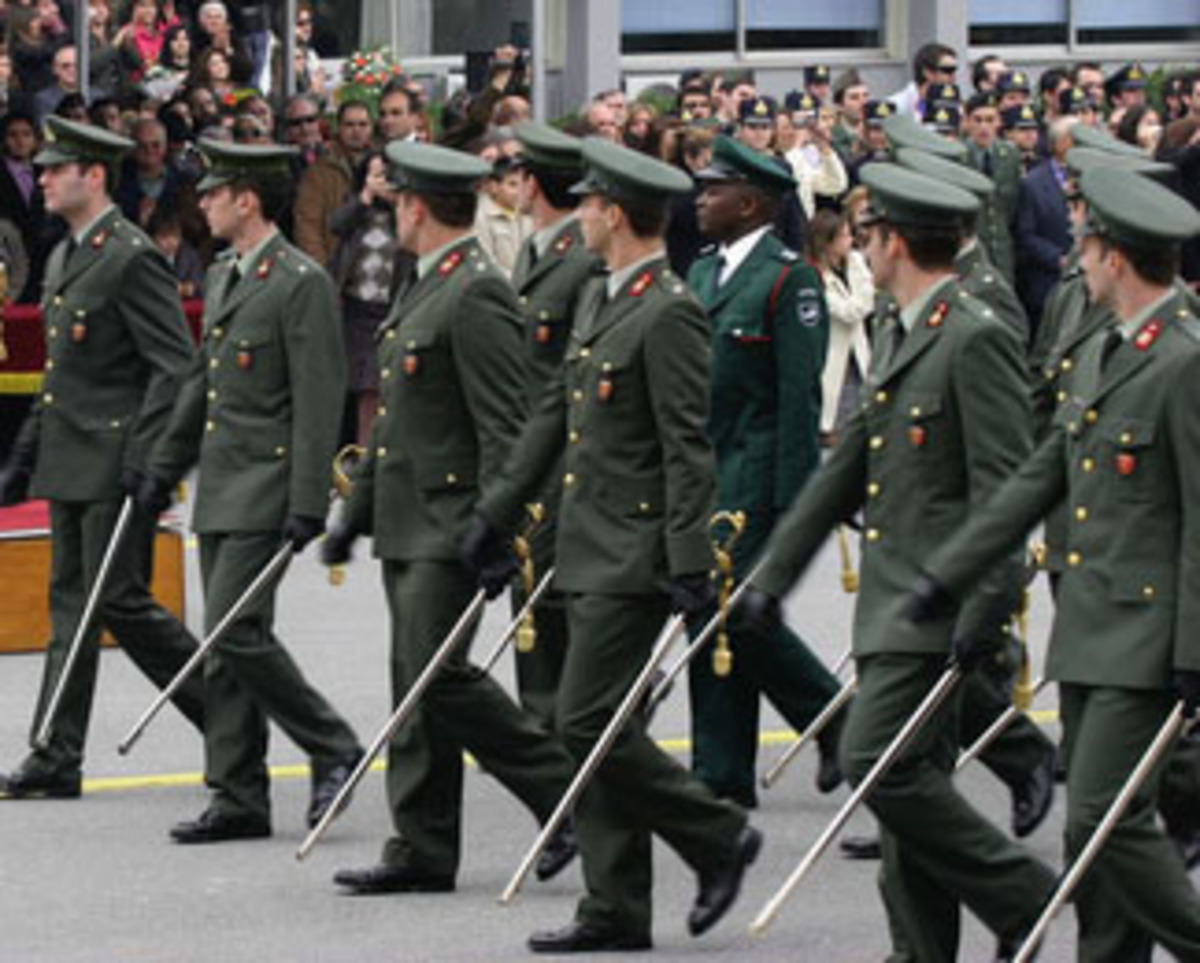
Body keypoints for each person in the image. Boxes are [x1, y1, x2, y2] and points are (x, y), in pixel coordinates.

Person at [742, 162, 1057, 963]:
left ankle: (1021, 895)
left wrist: (987, 610)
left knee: (875, 758)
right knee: (907, 783)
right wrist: (772, 577)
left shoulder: (973, 336)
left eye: (867, 234)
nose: (860, 248)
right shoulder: (902, 324)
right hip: (891, 598)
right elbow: (849, 462)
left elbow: (1006, 494)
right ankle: (919, 949)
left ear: (891, 242)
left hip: (938, 602)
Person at [464, 136, 761, 953]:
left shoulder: (667, 311)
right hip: (581, 537)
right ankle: (615, 905)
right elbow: (557, 419)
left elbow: (687, 445)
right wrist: (498, 511)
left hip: (633, 549)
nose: (581, 213)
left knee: (587, 719)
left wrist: (691, 560)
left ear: (617, 214)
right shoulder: (601, 297)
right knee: (594, 723)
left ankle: (714, 834)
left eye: (592, 203)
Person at [909, 165, 1200, 963]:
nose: (1077, 253)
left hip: (1149, 630)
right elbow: (1039, 475)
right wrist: (952, 570)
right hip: (1094, 621)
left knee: (1100, 815)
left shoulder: (1183, 357)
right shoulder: (1110, 350)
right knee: (1106, 827)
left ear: (1116, 258)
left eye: (1089, 242)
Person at [320, 141, 577, 897]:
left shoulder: (474, 292)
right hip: (407, 515)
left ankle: (564, 791)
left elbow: (511, 424)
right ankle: (423, 844)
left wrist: (501, 527)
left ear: (416, 206)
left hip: (451, 520)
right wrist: (354, 510)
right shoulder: (426, 284)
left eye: (397, 199)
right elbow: (398, 421)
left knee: (442, 678)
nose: (393, 209)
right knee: (417, 682)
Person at [140, 140, 363, 843]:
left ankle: (335, 745)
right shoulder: (230, 271)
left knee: (237, 630)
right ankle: (237, 790)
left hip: (267, 481)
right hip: (223, 478)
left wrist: (306, 500)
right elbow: (203, 385)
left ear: (248, 199)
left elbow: (318, 397)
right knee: (230, 642)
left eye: (215, 191)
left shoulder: (299, 281)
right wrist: (161, 466)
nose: (202, 201)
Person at [0, 116, 204, 800]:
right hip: (69, 458)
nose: (45, 177)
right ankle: (56, 752)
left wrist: (150, 460)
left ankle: (232, 719)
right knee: (72, 606)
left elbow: (173, 367)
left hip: (115, 460)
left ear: (93, 176)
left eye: (58, 169)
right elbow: (61, 376)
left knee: (119, 602)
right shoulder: (65, 256)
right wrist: (22, 457)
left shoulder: (130, 255)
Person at [686, 135, 845, 807]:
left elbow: (798, 397)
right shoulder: (703, 272)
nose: (701, 200)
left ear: (750, 203)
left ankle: (831, 721)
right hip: (705, 472)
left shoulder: (789, 278)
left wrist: (794, 502)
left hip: (752, 477)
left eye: (714, 190)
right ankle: (725, 768)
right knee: (717, 618)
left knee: (727, 614)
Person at [505, 122, 599, 730]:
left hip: (564, 452)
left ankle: (553, 717)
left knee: (549, 589)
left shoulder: (580, 262)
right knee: (533, 585)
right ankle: (545, 712)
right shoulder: (535, 251)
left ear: (532, 184)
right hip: (529, 447)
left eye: (517, 175)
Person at [808, 208, 873, 440]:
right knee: (834, 409)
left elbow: (866, 300)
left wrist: (863, 299)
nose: (851, 240)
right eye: (844, 236)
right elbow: (849, 311)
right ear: (827, 242)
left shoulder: (855, 261)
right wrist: (863, 299)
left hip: (858, 349)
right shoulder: (813, 274)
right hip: (833, 353)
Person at [293, 99, 373, 266]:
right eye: (349, 125)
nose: (356, 131)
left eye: (362, 124)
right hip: (334, 268)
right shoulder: (318, 172)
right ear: (339, 128)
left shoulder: (382, 166)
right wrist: (323, 275)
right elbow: (307, 229)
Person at [963, 92, 1021, 284]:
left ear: (999, 123)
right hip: (972, 253)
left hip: (1003, 254)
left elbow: (1012, 209)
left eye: (990, 120)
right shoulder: (959, 158)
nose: (983, 127)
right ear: (967, 123)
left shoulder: (1010, 156)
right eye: (977, 120)